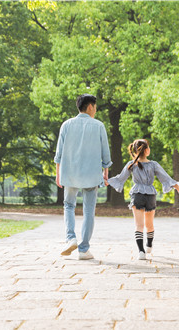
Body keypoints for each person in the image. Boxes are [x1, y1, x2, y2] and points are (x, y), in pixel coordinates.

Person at [107, 139, 179, 260]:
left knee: (139, 225)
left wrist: (107, 181)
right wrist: (178, 187)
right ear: (147, 150)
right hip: (150, 196)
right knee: (149, 225)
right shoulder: (153, 164)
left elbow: (119, 178)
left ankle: (141, 252)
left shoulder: (131, 164)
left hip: (137, 195)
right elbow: (166, 178)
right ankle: (149, 245)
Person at [54, 94, 112, 260]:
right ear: (90, 107)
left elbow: (59, 153)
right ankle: (83, 249)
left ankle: (70, 238)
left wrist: (58, 174)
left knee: (69, 205)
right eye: (95, 107)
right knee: (88, 211)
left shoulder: (66, 125)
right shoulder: (99, 126)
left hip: (70, 173)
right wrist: (106, 171)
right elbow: (105, 153)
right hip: (91, 174)